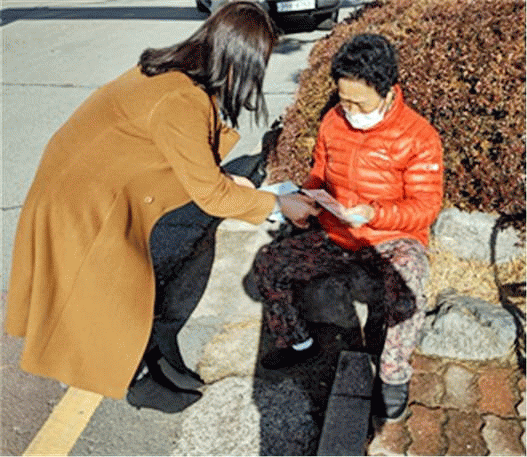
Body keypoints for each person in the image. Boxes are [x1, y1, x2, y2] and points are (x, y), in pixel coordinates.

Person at [4, 1, 319, 414]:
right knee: (111, 287)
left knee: (120, 284)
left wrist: (235, 185)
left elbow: (196, 165)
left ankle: (145, 358)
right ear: (236, 61)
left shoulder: (176, 73)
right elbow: (212, 195)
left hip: (89, 185)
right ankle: (130, 380)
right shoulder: (181, 101)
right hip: (80, 201)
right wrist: (277, 203)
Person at [247, 34, 443, 421]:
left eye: (359, 103)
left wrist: (374, 213)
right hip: (336, 233)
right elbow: (319, 173)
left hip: (390, 239)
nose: (349, 109)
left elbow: (425, 208)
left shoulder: (418, 136)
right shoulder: (333, 120)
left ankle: (392, 374)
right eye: (343, 98)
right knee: (270, 262)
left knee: (410, 277)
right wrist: (307, 199)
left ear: (386, 91)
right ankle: (297, 343)